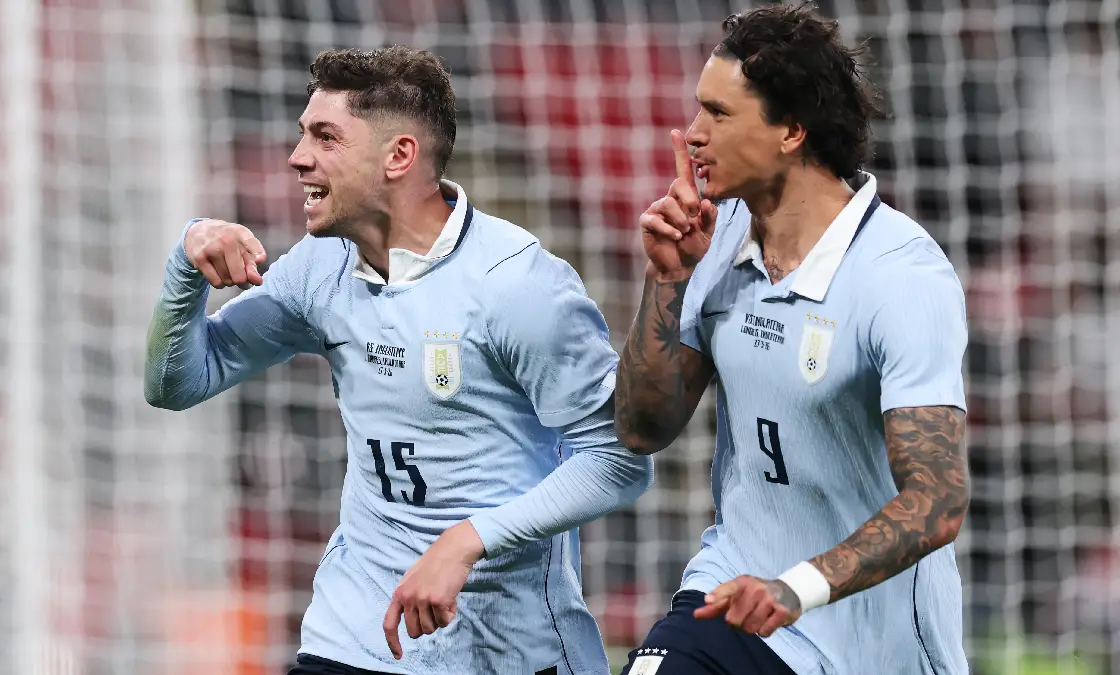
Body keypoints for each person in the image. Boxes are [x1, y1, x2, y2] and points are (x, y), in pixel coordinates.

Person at [144, 45, 652, 675]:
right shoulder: (319, 266)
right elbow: (178, 382)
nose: (297, 156)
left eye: (325, 137)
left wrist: (467, 540)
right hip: (352, 632)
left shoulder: (517, 285)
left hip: (506, 648)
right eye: (303, 134)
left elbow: (617, 461)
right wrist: (186, 263)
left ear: (399, 156)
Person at [613, 5, 970, 675]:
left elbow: (937, 500)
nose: (693, 134)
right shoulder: (714, 236)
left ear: (791, 131)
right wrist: (667, 282)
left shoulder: (901, 275)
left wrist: (796, 586)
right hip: (733, 589)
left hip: (863, 639)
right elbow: (642, 428)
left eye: (719, 114)